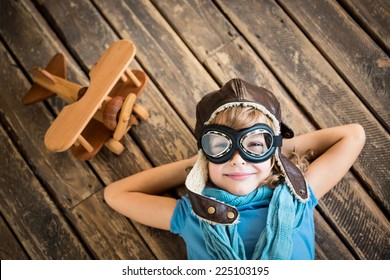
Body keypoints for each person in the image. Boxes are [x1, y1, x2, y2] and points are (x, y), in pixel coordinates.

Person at [104, 78, 365, 260]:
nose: (238, 159)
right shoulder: (192, 214)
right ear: (204, 155)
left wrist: (273, 149)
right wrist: (201, 162)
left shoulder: (298, 197)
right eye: (220, 147)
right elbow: (114, 194)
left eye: (254, 144)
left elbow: (354, 135)